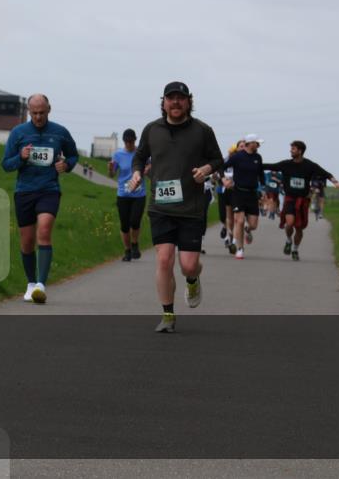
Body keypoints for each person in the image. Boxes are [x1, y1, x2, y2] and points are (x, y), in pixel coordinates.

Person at [126, 81, 224, 333]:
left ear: (189, 101)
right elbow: (139, 157)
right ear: (164, 102)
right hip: (160, 206)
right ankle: (167, 314)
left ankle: (193, 280)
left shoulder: (202, 130)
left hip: (191, 208)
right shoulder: (151, 129)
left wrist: (206, 169)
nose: (176, 102)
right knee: (164, 260)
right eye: (171, 98)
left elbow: (217, 159)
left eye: (181, 98)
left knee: (189, 264)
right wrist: (137, 174)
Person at [2, 94, 79, 304]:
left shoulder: (60, 132)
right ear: (29, 112)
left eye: (42, 113)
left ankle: (41, 286)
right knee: (27, 241)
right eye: (34, 113)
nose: (38, 117)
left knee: (44, 231)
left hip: (49, 189)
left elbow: (73, 156)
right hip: (24, 191)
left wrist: (67, 165)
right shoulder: (18, 133)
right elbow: (6, 164)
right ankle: (30, 283)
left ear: (49, 109)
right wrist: (21, 157)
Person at [262, 141, 339, 260]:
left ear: (300, 151)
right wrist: (254, 164)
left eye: (293, 149)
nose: (291, 151)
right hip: (290, 198)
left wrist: (336, 182)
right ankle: (289, 240)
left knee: (299, 227)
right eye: (291, 148)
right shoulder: (286, 164)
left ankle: (295, 249)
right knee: (289, 223)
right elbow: (270, 166)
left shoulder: (310, 165)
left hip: (303, 200)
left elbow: (326, 174)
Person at [222, 134, 266, 260]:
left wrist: (263, 188)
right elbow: (222, 167)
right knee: (239, 221)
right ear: (250, 143)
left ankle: (248, 229)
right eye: (256, 143)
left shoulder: (258, 157)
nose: (258, 145)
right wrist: (224, 179)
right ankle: (240, 249)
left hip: (252, 194)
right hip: (238, 192)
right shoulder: (237, 157)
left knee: (253, 225)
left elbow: (261, 174)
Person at [109, 128, 147, 261]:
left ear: (135, 140)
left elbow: (150, 165)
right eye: (126, 142)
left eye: (131, 141)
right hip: (123, 194)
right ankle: (127, 250)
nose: (129, 144)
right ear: (124, 141)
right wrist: (110, 169)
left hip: (139, 193)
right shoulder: (118, 154)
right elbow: (112, 174)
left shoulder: (140, 153)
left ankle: (135, 244)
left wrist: (146, 170)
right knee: (124, 224)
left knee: (135, 221)